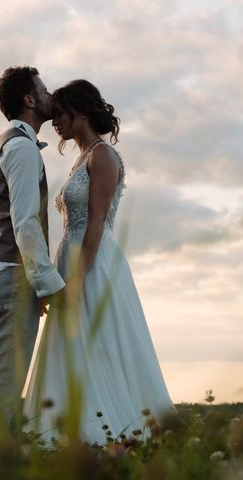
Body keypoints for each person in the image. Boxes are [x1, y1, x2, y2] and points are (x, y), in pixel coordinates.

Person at [23, 79, 175, 445]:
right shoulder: (81, 157)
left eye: (59, 113)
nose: (54, 120)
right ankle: (66, 429)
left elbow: (96, 222)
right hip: (69, 259)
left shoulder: (102, 156)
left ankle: (108, 435)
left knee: (99, 345)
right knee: (71, 347)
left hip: (92, 262)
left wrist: (76, 279)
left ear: (80, 110)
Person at [0, 66, 65, 432]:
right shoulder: (22, 148)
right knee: (2, 389)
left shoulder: (4, 143)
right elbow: (25, 222)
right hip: (9, 277)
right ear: (29, 100)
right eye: (43, 89)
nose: (49, 95)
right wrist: (48, 285)